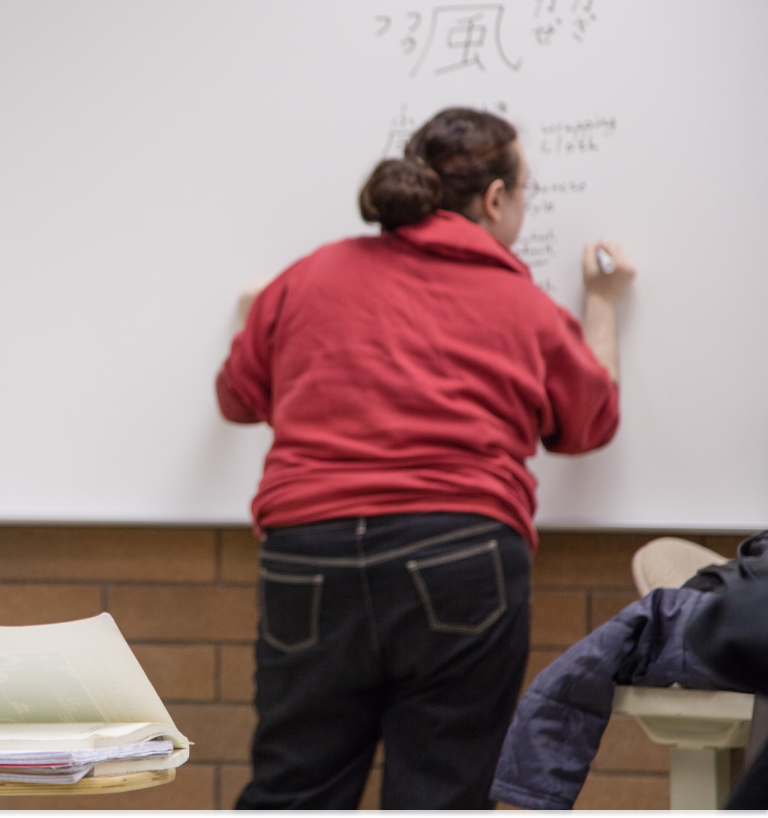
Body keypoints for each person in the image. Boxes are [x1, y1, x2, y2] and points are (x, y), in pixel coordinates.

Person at [216, 107, 635, 809]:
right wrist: (601, 305)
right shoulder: (519, 303)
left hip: (307, 555)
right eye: (525, 193)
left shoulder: (307, 278)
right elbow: (589, 421)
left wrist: (258, 320)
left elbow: (238, 397)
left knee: (294, 787)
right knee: (440, 793)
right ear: (495, 199)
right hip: (460, 555)